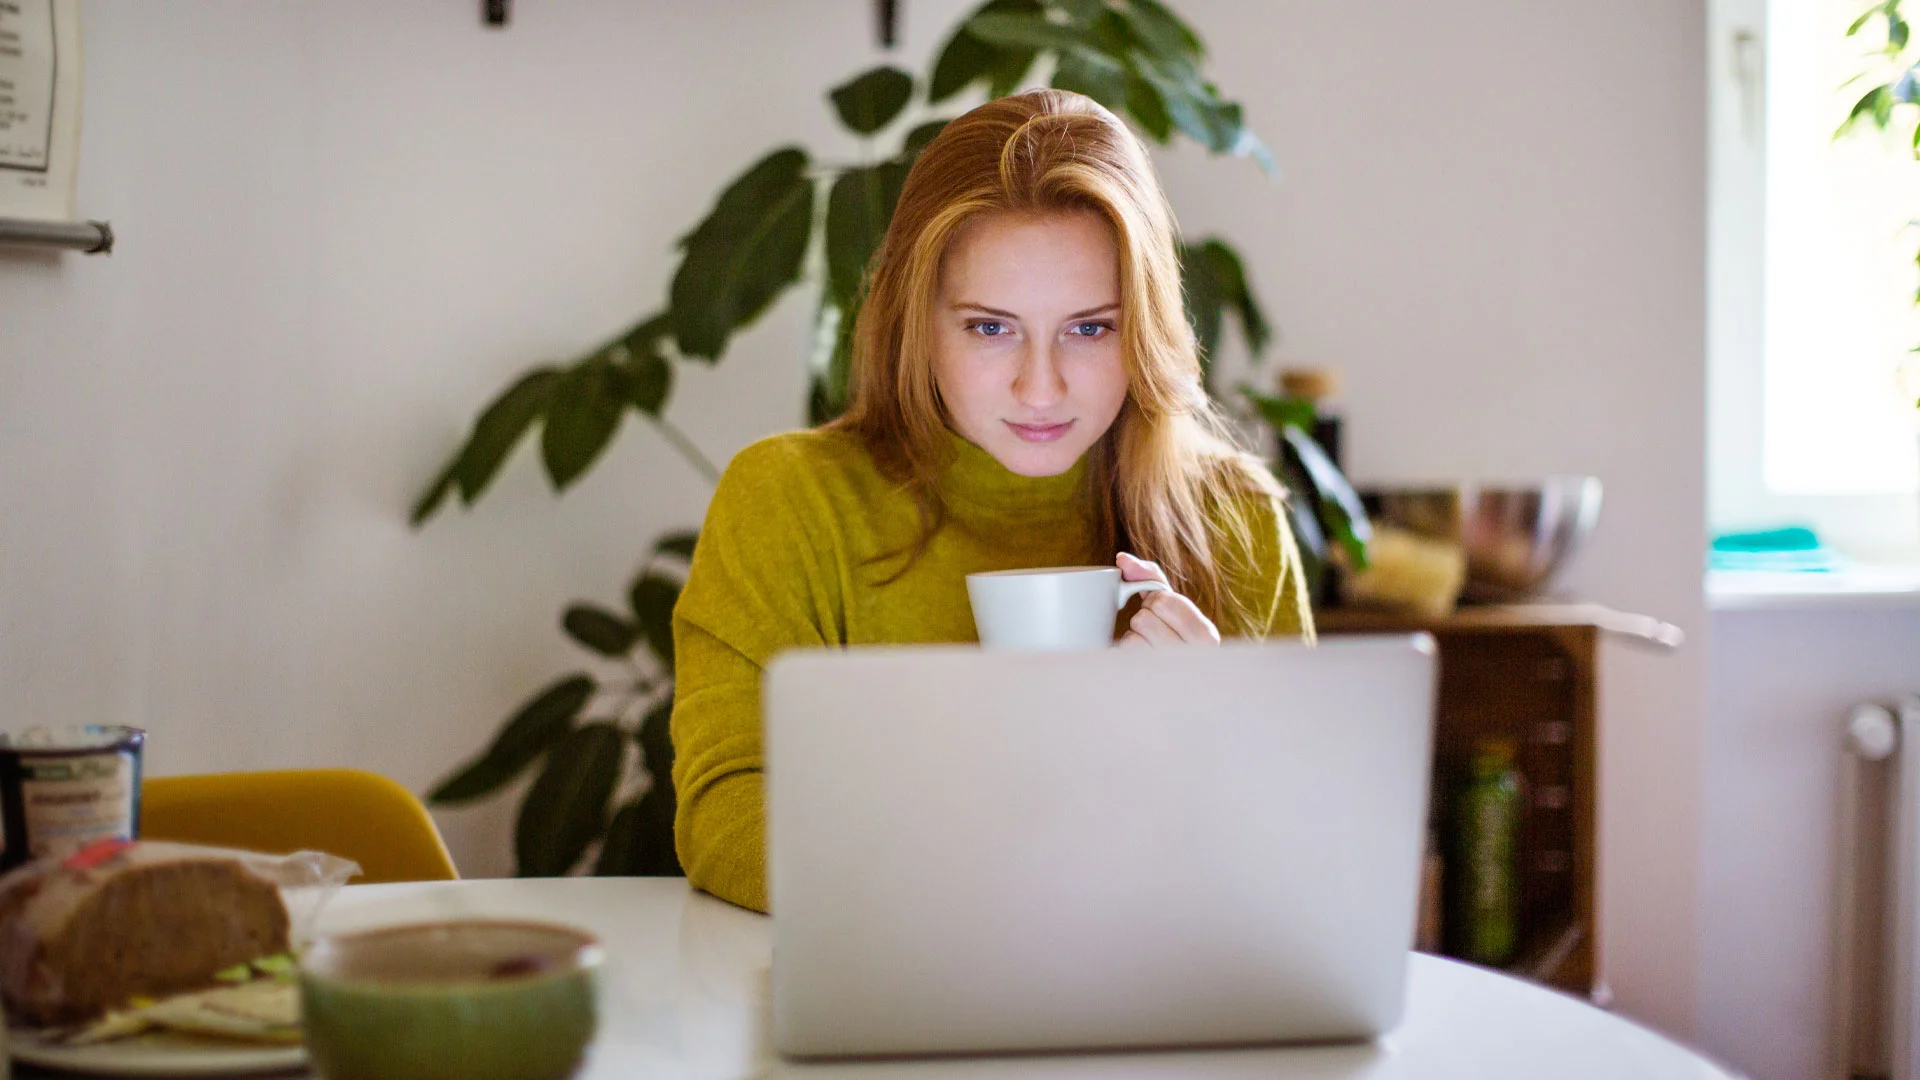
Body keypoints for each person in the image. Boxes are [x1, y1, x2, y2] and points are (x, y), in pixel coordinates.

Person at [669, 89, 1312, 913]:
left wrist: (1207, 744)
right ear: (918, 322)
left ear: (1145, 328)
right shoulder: (789, 502)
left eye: (1090, 329)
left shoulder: (1234, 518)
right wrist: (987, 882)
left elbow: (1296, 858)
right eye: (989, 327)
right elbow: (725, 815)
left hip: (1157, 1009)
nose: (1039, 387)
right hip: (885, 1000)